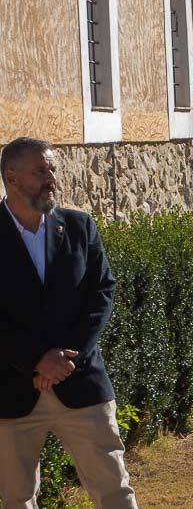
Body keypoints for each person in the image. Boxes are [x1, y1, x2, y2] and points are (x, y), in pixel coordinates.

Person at [0, 137, 138, 509]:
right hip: (12, 389)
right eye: (40, 171)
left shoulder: (79, 226)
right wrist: (37, 359)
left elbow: (102, 293)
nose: (52, 179)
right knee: (16, 499)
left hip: (81, 382)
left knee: (114, 490)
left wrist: (64, 359)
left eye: (53, 170)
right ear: (11, 178)